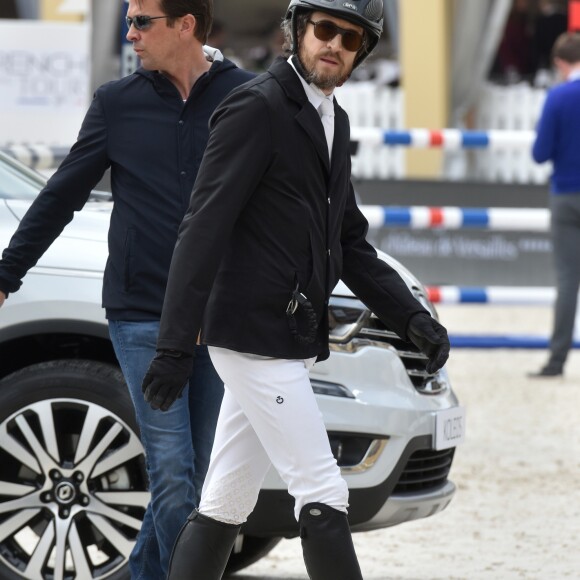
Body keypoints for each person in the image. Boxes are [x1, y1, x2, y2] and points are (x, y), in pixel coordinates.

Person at [141, 0, 450, 578]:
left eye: (351, 39)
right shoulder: (255, 107)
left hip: (287, 334)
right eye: (325, 30)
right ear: (298, 30)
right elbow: (202, 228)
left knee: (227, 500)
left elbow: (350, 240)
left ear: (362, 54)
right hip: (251, 334)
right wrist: (174, 346)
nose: (335, 45)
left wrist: (410, 319)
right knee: (323, 489)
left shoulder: (334, 119)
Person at [0, 0, 253, 577]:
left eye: (142, 21)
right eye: (129, 20)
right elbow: (61, 194)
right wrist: (6, 274)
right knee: (173, 475)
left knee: (199, 474)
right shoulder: (117, 104)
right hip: (143, 314)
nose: (130, 32)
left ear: (185, 25)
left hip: (218, 318)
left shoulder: (245, 97)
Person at [529, 32, 580, 378]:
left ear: (561, 62)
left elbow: (540, 153)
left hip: (566, 193)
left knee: (567, 281)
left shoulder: (558, 96)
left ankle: (557, 360)